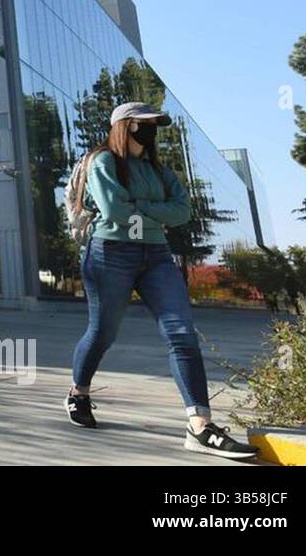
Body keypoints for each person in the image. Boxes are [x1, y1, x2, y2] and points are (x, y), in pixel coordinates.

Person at [66, 102, 258, 460]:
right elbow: (113, 211)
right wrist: (153, 209)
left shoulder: (159, 171)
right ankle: (79, 392)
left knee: (181, 333)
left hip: (156, 255)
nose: (153, 129)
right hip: (110, 253)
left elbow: (183, 211)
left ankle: (199, 425)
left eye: (156, 123)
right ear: (126, 125)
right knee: (103, 332)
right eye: (146, 123)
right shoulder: (103, 161)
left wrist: (136, 203)